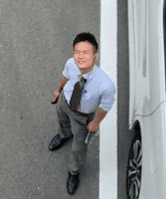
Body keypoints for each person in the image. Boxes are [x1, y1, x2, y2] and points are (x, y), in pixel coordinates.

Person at [49, 32, 116, 195]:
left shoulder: (105, 84)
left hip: (83, 116)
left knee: (79, 147)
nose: (80, 57)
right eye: (77, 52)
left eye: (85, 53)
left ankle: (74, 172)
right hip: (65, 102)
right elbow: (65, 76)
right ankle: (64, 135)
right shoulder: (71, 64)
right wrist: (58, 90)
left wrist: (95, 123)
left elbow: (106, 106)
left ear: (95, 56)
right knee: (62, 121)